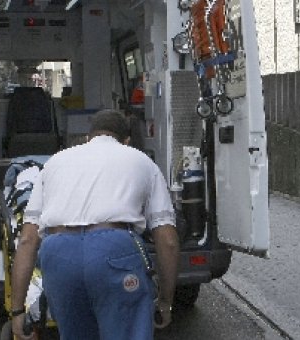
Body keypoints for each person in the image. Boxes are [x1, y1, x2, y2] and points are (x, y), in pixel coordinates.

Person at [10, 109, 180, 339]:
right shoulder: (142, 162)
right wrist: (166, 302)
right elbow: (167, 241)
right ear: (126, 141)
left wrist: (18, 309)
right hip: (114, 250)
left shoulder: (54, 163)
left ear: (88, 137)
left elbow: (28, 240)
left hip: (58, 255)